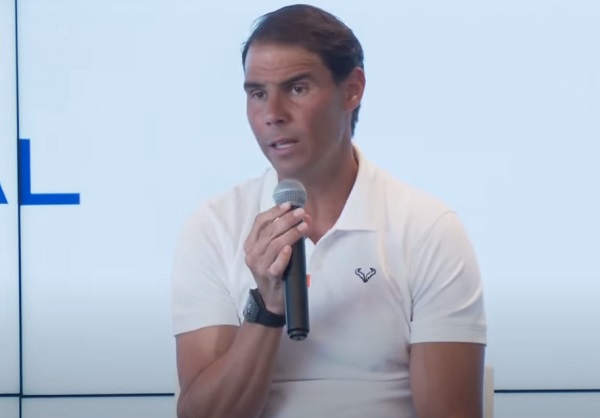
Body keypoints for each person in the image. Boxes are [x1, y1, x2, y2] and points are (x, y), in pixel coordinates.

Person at [171, 4, 487, 418]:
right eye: (257, 93)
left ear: (352, 89)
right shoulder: (213, 227)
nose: (272, 114)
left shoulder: (428, 228)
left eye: (297, 88)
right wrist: (267, 308)